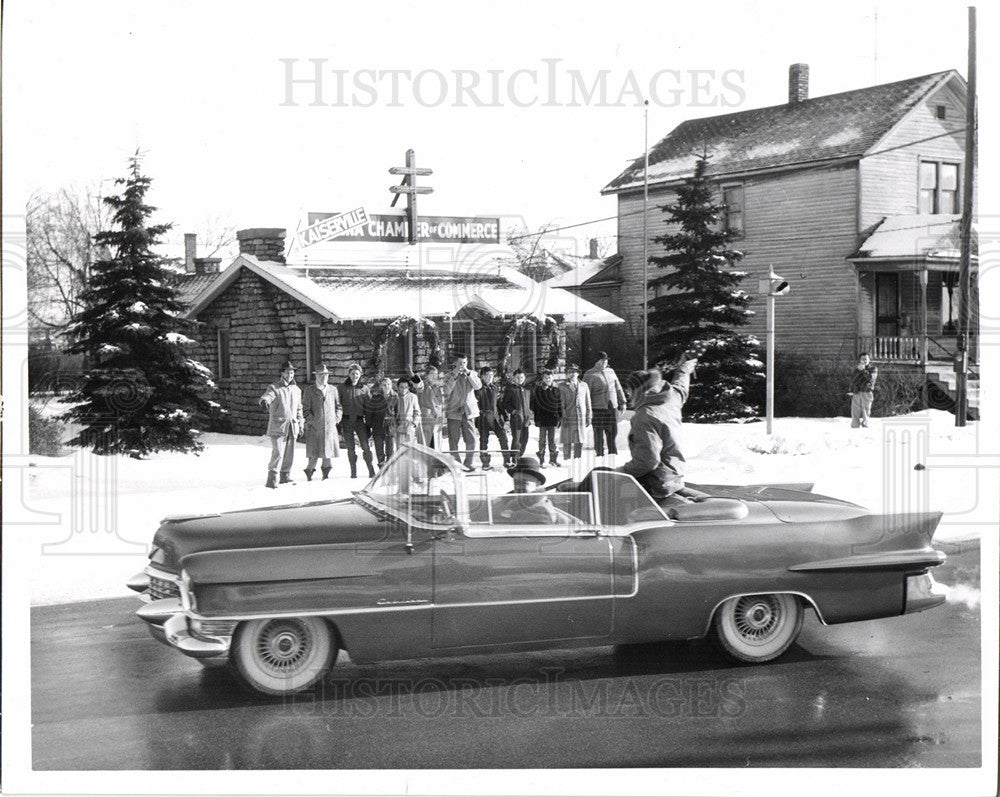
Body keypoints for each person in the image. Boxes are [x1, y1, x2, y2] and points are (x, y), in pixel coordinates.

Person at [620, 358, 697, 501]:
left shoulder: (645, 416)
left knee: (604, 485)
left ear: (637, 391)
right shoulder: (672, 398)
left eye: (630, 391)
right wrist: (685, 367)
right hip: (674, 477)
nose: (629, 396)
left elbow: (648, 461)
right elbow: (681, 384)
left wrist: (622, 471)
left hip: (656, 483)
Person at [259, 361, 303, 488]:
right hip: (278, 424)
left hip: (292, 425)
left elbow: (299, 408)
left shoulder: (296, 390)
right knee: (277, 451)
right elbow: (267, 396)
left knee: (290, 452)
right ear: (282, 373)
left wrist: (300, 423)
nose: (290, 375)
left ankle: (285, 475)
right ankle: (272, 477)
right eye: (288, 372)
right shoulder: (274, 387)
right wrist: (264, 401)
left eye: (292, 372)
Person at [301, 363, 341, 481]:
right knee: (314, 453)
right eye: (320, 375)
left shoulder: (333, 390)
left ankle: (326, 473)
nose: (323, 378)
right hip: (315, 428)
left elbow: (338, 406)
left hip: (330, 427)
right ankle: (309, 472)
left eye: (325, 375)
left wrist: (337, 418)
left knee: (328, 452)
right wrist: (312, 421)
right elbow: (305, 409)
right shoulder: (309, 391)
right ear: (316, 376)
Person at [583, 351, 627, 458]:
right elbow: (585, 393)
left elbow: (618, 387)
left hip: (612, 406)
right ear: (596, 361)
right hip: (597, 407)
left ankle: (613, 453)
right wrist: (587, 410)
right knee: (599, 432)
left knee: (613, 431)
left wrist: (623, 402)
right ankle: (599, 454)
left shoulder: (611, 371)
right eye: (601, 360)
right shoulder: (590, 374)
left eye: (605, 360)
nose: (604, 362)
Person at [442, 354, 482, 470]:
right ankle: (456, 463)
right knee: (453, 439)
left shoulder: (472, 374)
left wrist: (469, 374)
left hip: (468, 411)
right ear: (455, 363)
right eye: (459, 363)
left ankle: (468, 462)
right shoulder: (449, 376)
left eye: (464, 363)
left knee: (471, 439)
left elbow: (478, 386)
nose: (462, 366)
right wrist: (454, 375)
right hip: (454, 411)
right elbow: (446, 390)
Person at [337, 362, 375, 479]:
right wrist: (338, 423)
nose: (355, 376)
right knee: (350, 447)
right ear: (349, 374)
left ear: (360, 375)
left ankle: (371, 469)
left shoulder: (364, 389)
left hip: (360, 421)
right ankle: (353, 471)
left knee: (365, 445)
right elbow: (338, 404)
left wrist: (369, 424)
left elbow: (369, 407)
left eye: (357, 374)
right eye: (353, 374)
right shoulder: (342, 388)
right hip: (346, 420)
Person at [499, 456, 564, 524]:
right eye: (516, 482)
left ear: (537, 484)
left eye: (524, 483)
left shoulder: (542, 512)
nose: (518, 486)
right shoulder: (512, 502)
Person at [475, 365, 511, 469]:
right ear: (482, 376)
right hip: (483, 418)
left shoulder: (495, 388)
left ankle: (507, 461)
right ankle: (485, 463)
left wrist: (505, 416)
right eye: (487, 375)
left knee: (503, 437)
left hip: (495, 418)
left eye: (492, 375)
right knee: (483, 441)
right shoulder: (478, 388)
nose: (490, 377)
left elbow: (499, 403)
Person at [559, 364, 592, 461]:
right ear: (567, 374)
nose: (572, 374)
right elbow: (560, 403)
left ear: (578, 373)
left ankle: (578, 458)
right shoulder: (562, 386)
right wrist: (563, 415)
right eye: (570, 372)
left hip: (581, 416)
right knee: (567, 438)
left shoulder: (584, 385)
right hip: (568, 415)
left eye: (574, 372)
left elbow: (588, 401)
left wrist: (589, 416)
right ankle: (567, 458)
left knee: (579, 438)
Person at [531, 368, 562, 467]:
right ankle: (541, 460)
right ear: (543, 379)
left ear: (552, 378)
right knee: (542, 440)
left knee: (552, 440)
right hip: (542, 418)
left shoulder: (556, 390)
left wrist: (560, 417)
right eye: (545, 378)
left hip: (553, 418)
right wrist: (537, 419)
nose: (548, 379)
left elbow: (559, 404)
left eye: (549, 377)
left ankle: (553, 459)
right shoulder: (538, 390)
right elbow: (534, 405)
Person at [365, 376, 398, 468]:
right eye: (384, 385)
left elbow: (398, 412)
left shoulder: (395, 396)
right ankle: (381, 466)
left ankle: (390, 467)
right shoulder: (376, 397)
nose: (386, 386)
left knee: (390, 449)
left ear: (391, 385)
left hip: (390, 426)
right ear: (381, 386)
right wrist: (370, 425)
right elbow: (369, 413)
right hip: (378, 425)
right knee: (379, 448)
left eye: (388, 384)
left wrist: (396, 425)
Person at [501, 368, 532, 461]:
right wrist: (513, 411)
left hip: (526, 417)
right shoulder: (511, 389)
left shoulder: (527, 389)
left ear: (524, 377)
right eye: (517, 377)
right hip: (516, 418)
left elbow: (531, 401)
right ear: (514, 378)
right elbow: (505, 403)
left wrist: (530, 412)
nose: (520, 379)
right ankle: (514, 458)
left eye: (521, 377)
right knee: (516, 439)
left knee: (525, 438)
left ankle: (519, 455)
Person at [411, 363, 445, 449]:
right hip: (426, 419)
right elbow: (418, 384)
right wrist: (412, 375)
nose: (434, 376)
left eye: (436, 374)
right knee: (425, 444)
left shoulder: (438, 386)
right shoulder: (424, 386)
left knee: (436, 445)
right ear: (426, 375)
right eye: (432, 374)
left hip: (437, 419)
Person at [848, 353, 878, 429]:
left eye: (866, 359)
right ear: (860, 360)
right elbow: (853, 379)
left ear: (869, 360)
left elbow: (870, 378)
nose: (864, 361)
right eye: (862, 359)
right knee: (855, 410)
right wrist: (858, 371)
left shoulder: (873, 369)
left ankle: (865, 424)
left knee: (866, 410)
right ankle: (855, 426)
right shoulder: (857, 369)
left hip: (866, 392)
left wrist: (863, 370)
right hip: (857, 392)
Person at [393, 376, 422, 444]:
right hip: (398, 426)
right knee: (400, 449)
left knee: (410, 448)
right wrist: (394, 424)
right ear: (398, 387)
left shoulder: (413, 397)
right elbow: (392, 412)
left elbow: (417, 412)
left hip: (409, 426)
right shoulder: (395, 397)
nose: (403, 389)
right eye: (401, 387)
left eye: (406, 387)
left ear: (409, 387)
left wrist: (413, 424)